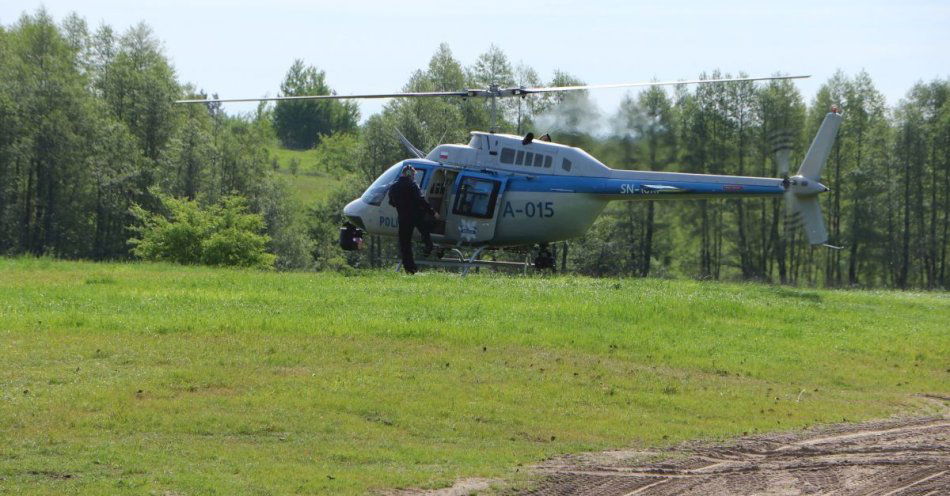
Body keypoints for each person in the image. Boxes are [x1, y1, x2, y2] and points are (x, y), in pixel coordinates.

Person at [388, 164, 439, 274]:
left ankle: (410, 269)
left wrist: (400, 206)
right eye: (413, 175)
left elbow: (391, 202)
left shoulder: (394, 187)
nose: (414, 177)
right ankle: (428, 246)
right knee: (425, 231)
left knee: (405, 244)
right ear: (410, 175)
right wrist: (432, 212)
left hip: (403, 218)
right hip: (416, 215)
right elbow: (421, 200)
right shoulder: (412, 185)